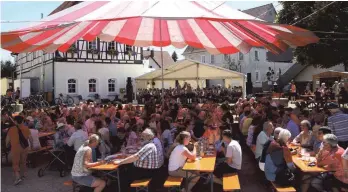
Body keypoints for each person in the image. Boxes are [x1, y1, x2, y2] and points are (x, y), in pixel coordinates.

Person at [6, 116, 32, 185]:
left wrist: (7, 145)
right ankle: (24, 174)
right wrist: (31, 146)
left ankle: (17, 178)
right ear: (22, 121)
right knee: (23, 161)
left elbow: (7, 140)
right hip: (25, 148)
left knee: (15, 163)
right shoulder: (26, 128)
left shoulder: (11, 129)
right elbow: (30, 138)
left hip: (15, 148)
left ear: (15, 121)